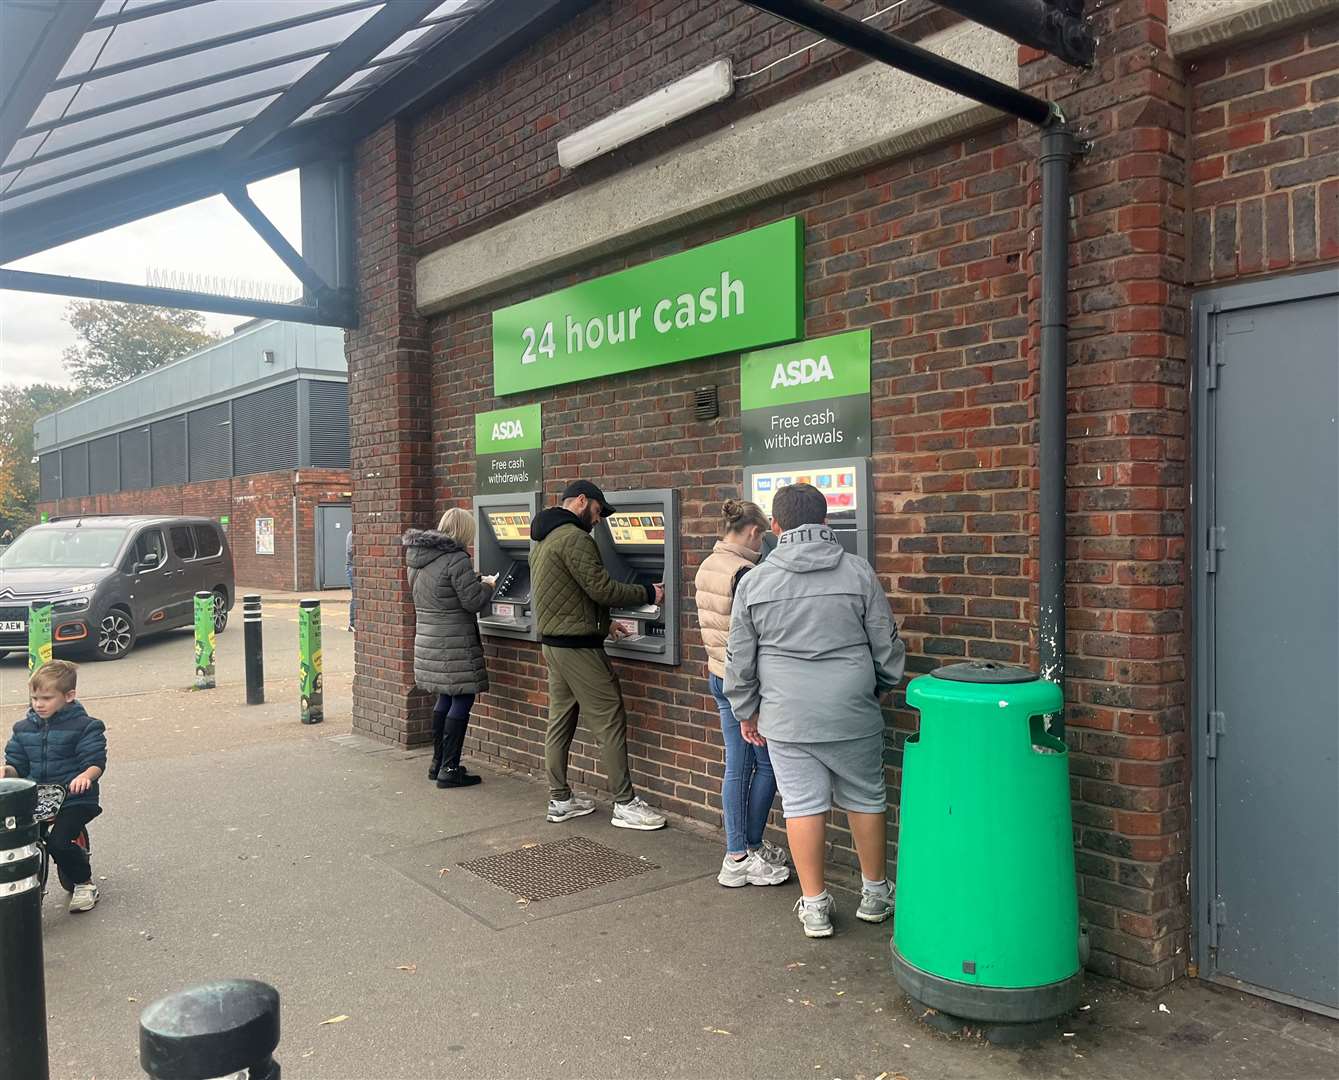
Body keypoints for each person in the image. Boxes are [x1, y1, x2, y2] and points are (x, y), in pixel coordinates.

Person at [726, 483, 905, 938]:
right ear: (826, 522)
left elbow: (739, 659)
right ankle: (875, 893)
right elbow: (885, 645)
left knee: (802, 805)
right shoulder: (858, 572)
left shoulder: (755, 581)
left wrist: (747, 711)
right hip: (851, 709)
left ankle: (816, 906)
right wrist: (878, 686)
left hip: (787, 716)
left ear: (776, 527)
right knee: (866, 797)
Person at [531, 480, 667, 830]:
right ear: (581, 501)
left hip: (555, 644)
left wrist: (604, 625)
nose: (600, 519)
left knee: (560, 720)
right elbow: (601, 589)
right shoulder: (575, 538)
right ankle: (624, 803)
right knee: (609, 717)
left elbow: (566, 593)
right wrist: (648, 592)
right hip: (578, 648)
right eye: (598, 511)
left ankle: (560, 799)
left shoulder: (544, 538)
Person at [693, 498, 789, 888]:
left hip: (719, 676)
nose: (763, 543)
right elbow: (754, 639)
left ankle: (745, 849)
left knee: (738, 763)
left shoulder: (708, 565)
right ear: (753, 532)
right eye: (763, 535)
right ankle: (739, 853)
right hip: (745, 684)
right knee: (762, 766)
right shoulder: (745, 573)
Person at [3, 660, 107, 913]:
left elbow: (95, 761)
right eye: (35, 698)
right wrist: (7, 772)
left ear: (69, 696)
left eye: (47, 698)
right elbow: (16, 762)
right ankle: (25, 885)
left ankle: (84, 883)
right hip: (36, 799)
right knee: (18, 839)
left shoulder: (85, 727)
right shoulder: (23, 728)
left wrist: (85, 776)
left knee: (59, 842)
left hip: (74, 798)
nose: (39, 704)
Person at [404, 507, 498, 789]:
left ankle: (438, 763)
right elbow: (471, 601)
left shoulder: (418, 558)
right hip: (454, 641)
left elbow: (441, 591)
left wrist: (472, 578)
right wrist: (489, 586)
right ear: (464, 531)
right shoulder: (456, 558)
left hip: (430, 639)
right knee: (462, 699)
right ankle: (450, 769)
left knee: (445, 697)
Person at [346, 524, 355, 632]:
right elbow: (351, 551)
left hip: (355, 567)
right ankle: (352, 624)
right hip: (352, 567)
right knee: (356, 596)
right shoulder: (351, 534)